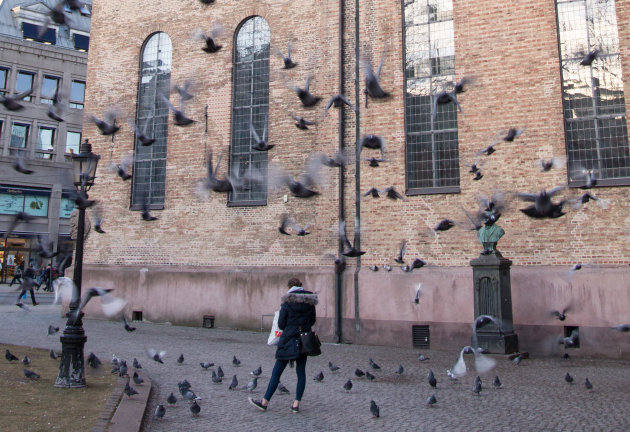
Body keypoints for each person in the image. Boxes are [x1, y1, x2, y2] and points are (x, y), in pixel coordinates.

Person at [249, 278, 317, 413]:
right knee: (301, 372)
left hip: (288, 340)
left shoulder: (286, 302)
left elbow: (281, 324)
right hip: (304, 341)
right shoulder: (310, 303)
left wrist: (291, 326)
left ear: (289, 287)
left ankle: (264, 402)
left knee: (276, 373)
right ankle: (296, 404)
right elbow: (312, 321)